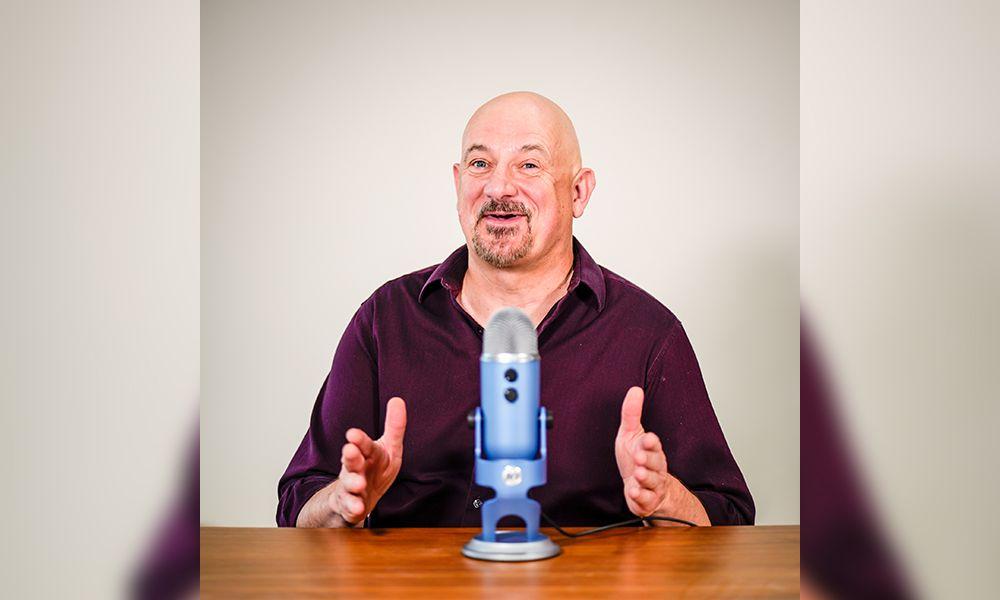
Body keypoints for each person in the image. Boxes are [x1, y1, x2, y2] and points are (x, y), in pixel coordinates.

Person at [277, 92, 754, 529]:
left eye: (529, 165)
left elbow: (729, 517)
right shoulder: (385, 319)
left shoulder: (648, 334)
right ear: (458, 182)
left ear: (578, 192)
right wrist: (343, 502)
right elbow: (299, 501)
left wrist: (666, 500)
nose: (498, 187)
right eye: (480, 163)